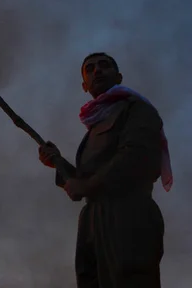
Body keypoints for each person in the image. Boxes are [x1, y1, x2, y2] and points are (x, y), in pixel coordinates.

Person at [38, 52, 173, 288]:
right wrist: (58, 162)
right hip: (92, 221)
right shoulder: (95, 126)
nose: (97, 71)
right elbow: (84, 180)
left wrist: (86, 185)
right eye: (89, 69)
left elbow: (135, 157)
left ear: (118, 76)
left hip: (128, 213)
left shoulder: (137, 110)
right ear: (84, 85)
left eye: (104, 66)